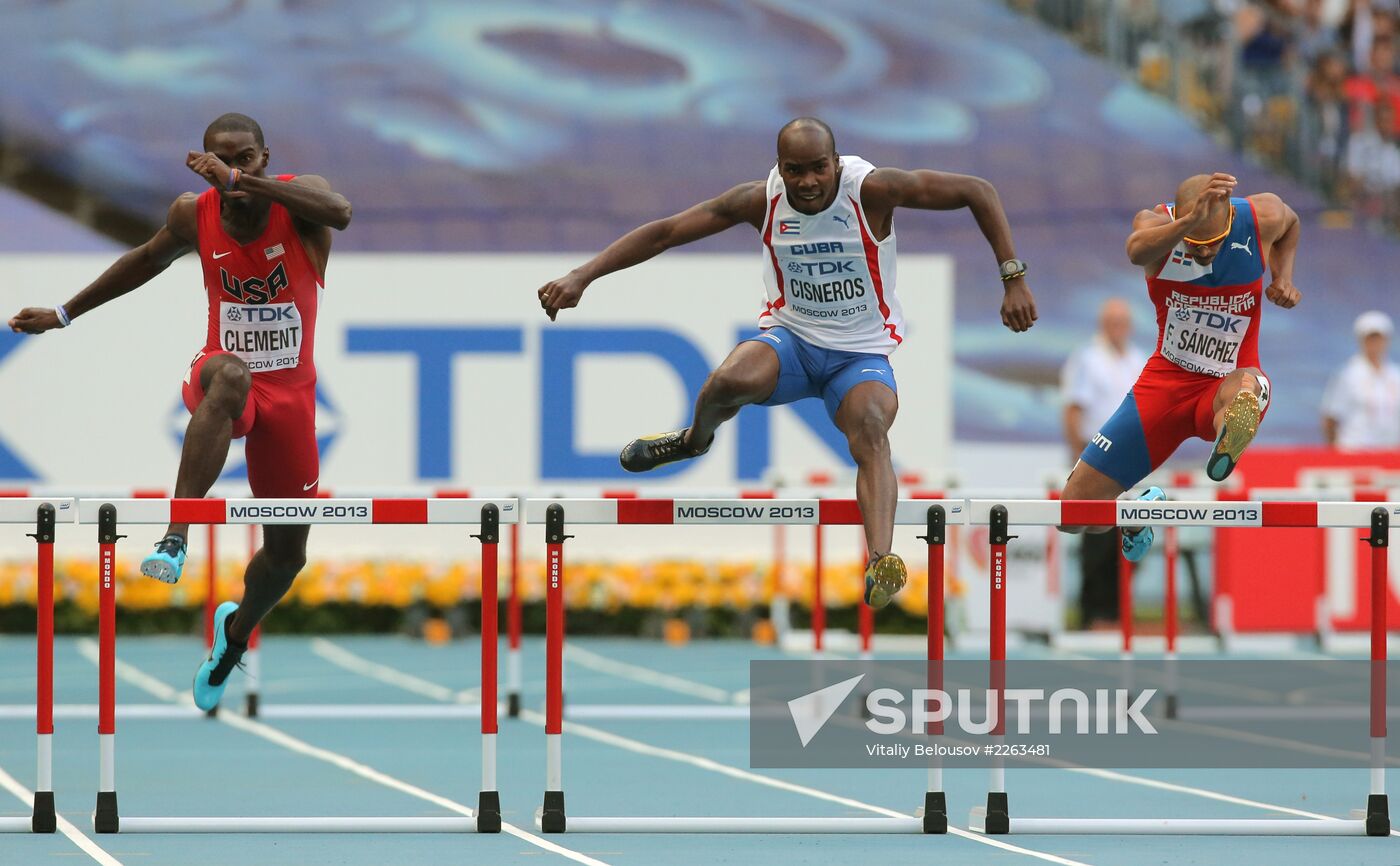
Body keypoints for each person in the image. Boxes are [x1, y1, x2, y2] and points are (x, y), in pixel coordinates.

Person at [536, 117, 1037, 608]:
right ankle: (692, 441)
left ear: (837, 163)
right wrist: (583, 276)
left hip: (859, 354)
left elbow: (978, 190)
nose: (808, 182)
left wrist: (1012, 277)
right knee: (725, 382)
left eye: (818, 168)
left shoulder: (873, 192)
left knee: (871, 426)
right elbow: (665, 233)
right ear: (780, 167)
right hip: (792, 342)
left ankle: (880, 560)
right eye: (794, 170)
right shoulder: (761, 200)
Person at [8, 113, 351, 710]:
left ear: (265, 158)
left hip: (291, 396)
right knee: (231, 375)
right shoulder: (193, 213)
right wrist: (63, 314)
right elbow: (143, 260)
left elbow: (341, 213)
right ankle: (176, 535)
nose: (234, 168)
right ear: (202, 160)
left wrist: (246, 184)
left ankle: (233, 636)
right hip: (223, 374)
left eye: (246, 158)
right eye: (223, 160)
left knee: (287, 556)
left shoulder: (301, 200)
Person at [1059, 172, 1301, 560]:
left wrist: (1283, 277)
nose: (1204, 252)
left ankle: (1231, 436)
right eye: (1196, 244)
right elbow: (1135, 251)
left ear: (1228, 221)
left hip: (1228, 379)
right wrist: (1187, 225)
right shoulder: (1153, 227)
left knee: (1243, 391)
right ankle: (1135, 514)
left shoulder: (1262, 216)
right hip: (1166, 383)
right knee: (1073, 514)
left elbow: (1292, 224)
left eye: (1213, 242)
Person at [1061, 299, 1148, 625]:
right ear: (1103, 325)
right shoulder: (1087, 359)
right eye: (1112, 322)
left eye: (1123, 322)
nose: (1118, 328)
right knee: (1095, 538)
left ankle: (1118, 613)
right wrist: (1079, 458)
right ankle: (1093, 615)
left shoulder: (1140, 359)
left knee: (1130, 535)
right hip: (1097, 457)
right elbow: (1073, 410)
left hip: (1133, 460)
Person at [1322, 310, 1400, 448]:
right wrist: (1333, 453)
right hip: (1355, 450)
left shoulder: (1395, 375)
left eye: (1379, 338)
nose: (1375, 343)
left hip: (1390, 452)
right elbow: (1331, 417)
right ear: (1361, 340)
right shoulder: (1349, 374)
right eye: (1370, 338)